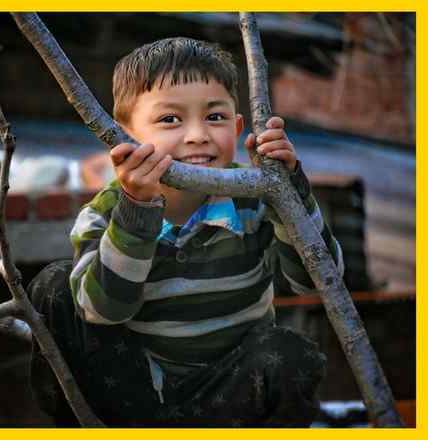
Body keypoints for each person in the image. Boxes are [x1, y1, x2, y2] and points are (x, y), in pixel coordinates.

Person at [27, 37, 343, 427]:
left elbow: (318, 282)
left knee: (290, 353)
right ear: (121, 135)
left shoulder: (254, 200)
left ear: (238, 126)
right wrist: (138, 211)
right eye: (170, 120)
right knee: (55, 284)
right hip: (133, 395)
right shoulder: (103, 214)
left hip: (230, 395)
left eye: (215, 117)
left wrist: (290, 190)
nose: (197, 135)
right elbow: (102, 311)